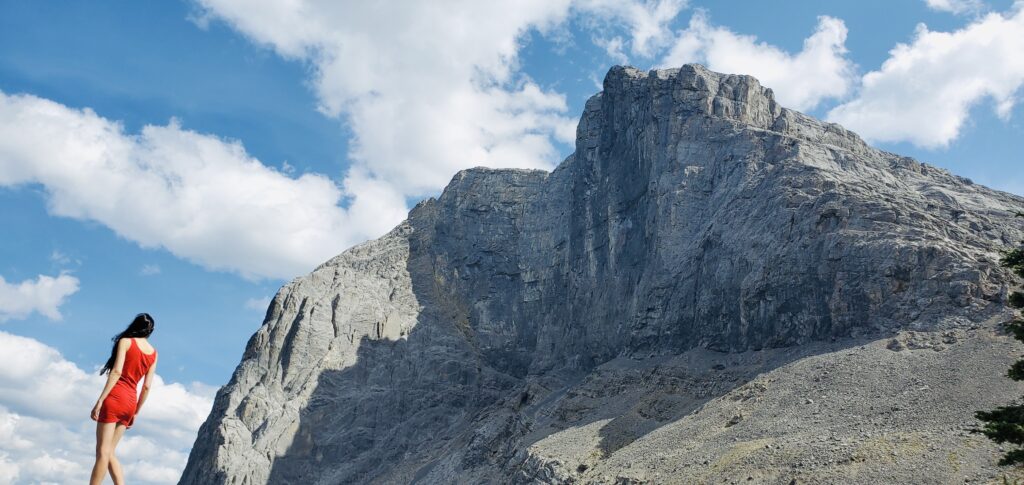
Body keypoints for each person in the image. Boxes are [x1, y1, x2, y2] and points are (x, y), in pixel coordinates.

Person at [89, 313, 158, 485]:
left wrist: (100, 400)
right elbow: (147, 386)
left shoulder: (126, 341)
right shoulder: (153, 354)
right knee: (110, 452)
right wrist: (136, 411)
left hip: (115, 396)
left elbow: (117, 372)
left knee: (102, 451)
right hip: (130, 403)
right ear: (150, 331)